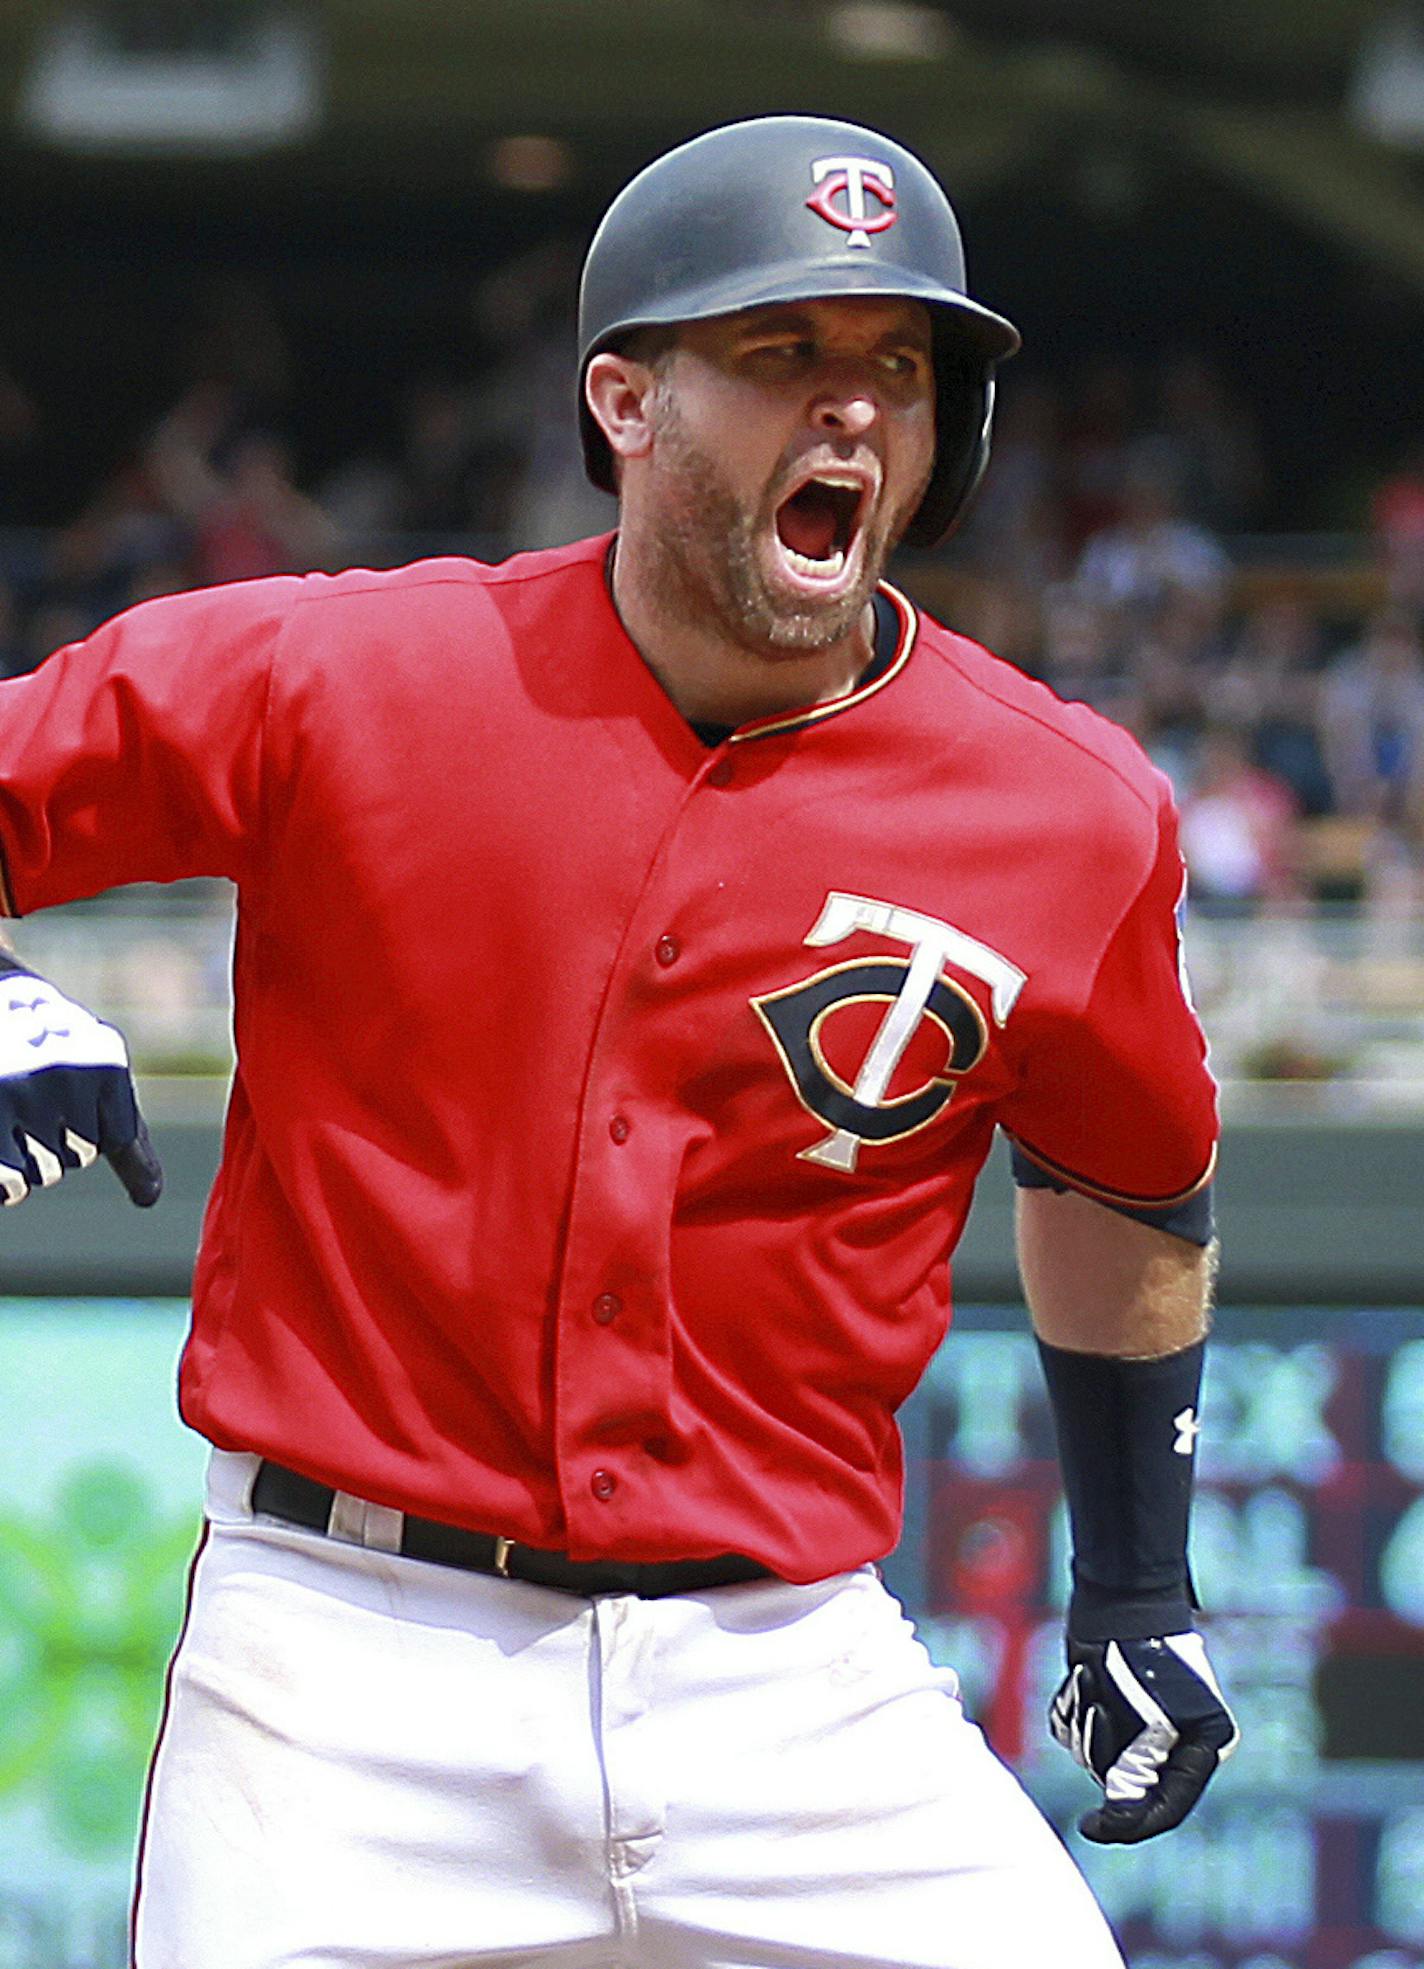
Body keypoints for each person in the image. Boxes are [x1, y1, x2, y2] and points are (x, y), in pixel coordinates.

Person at [0, 116, 1237, 1969]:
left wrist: (1141, 1578)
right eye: (777, 355)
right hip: (347, 1660)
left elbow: (1124, 1169)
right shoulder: (345, 678)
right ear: (624, 401)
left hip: (793, 1670)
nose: (848, 413)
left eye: (896, 368)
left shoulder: (1066, 809)